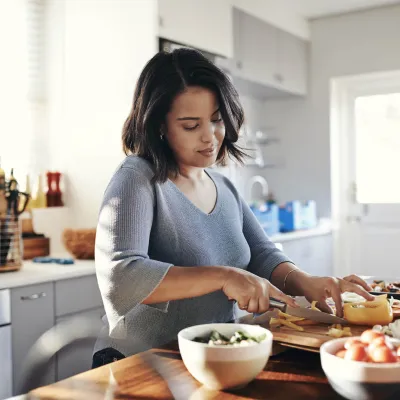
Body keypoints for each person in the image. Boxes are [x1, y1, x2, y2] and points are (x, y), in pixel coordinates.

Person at [92, 48, 373, 367]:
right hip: (139, 361)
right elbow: (120, 274)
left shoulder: (222, 186)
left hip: (208, 358)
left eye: (216, 120)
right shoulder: (136, 178)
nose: (210, 137)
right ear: (159, 125)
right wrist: (223, 276)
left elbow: (262, 255)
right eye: (190, 125)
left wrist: (306, 282)